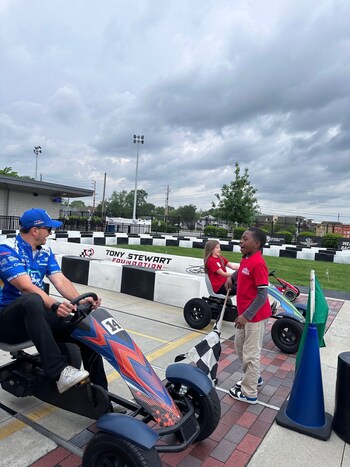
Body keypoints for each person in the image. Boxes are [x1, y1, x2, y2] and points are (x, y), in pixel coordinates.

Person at [0, 208, 108, 394]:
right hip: (7, 322)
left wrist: (79, 300)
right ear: (35, 230)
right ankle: (58, 371)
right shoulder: (6, 249)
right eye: (48, 229)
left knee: (85, 330)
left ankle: (102, 397)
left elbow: (60, 279)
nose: (51, 233)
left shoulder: (45, 251)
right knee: (32, 299)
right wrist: (54, 305)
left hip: (35, 319)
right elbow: (25, 287)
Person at [227, 228, 272, 404]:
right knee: (240, 348)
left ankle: (249, 393)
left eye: (245, 239)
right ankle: (255, 378)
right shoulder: (246, 258)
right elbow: (242, 271)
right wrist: (232, 276)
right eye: (241, 238)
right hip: (245, 315)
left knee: (251, 355)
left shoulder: (258, 263)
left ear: (256, 244)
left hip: (255, 317)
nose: (241, 241)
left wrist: (246, 315)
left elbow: (262, 295)